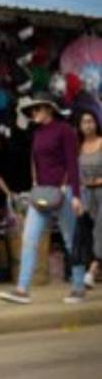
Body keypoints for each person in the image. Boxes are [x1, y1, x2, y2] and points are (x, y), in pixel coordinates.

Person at [0, 92, 85, 305]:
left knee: (70, 239)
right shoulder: (37, 133)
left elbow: (73, 163)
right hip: (41, 192)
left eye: (37, 109)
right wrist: (34, 185)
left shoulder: (64, 130)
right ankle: (22, 289)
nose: (33, 113)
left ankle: (78, 287)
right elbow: (35, 163)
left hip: (63, 192)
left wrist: (75, 194)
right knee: (29, 239)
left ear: (49, 108)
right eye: (32, 110)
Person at [77, 110, 102, 289]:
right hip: (87, 195)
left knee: (100, 230)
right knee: (89, 233)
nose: (88, 125)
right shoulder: (79, 147)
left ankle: (92, 270)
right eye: (84, 122)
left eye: (91, 121)